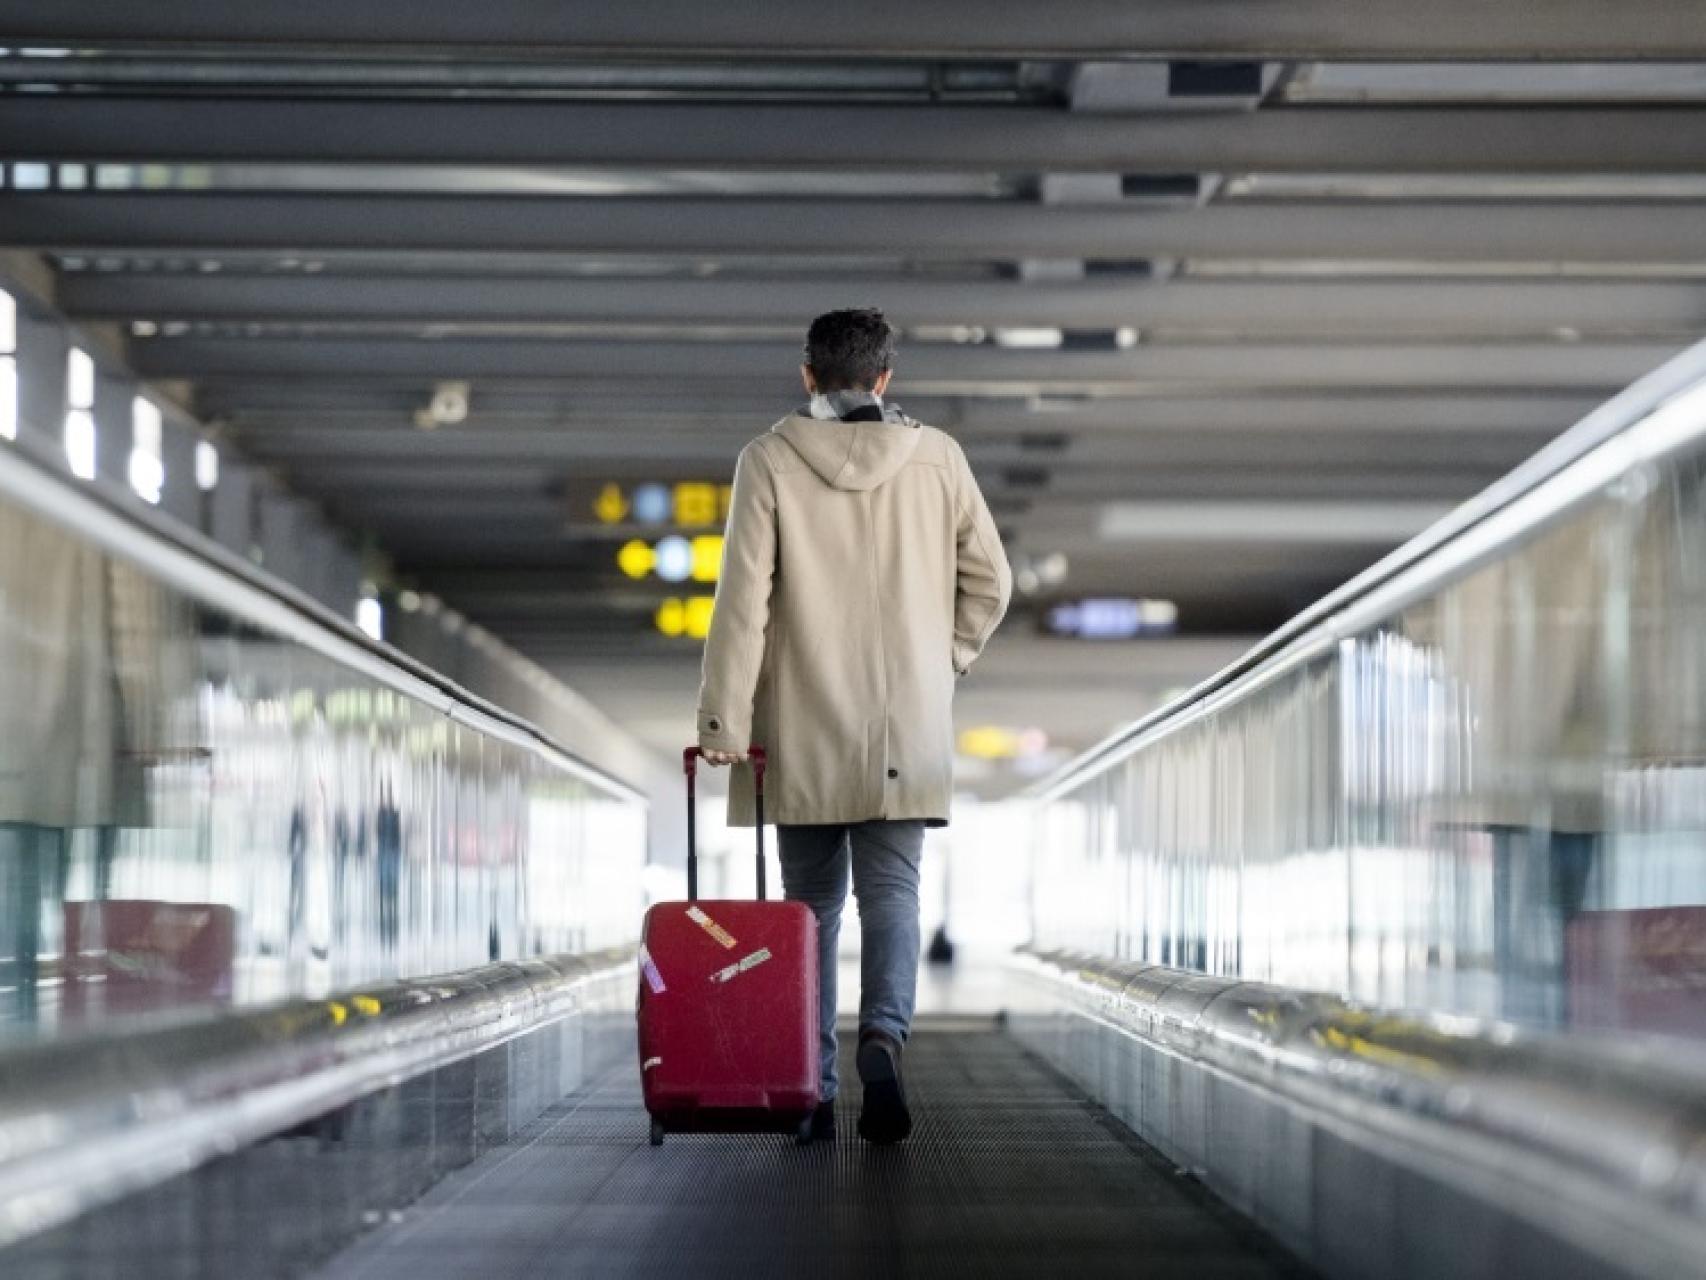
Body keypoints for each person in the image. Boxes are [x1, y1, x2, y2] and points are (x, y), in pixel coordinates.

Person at [695, 308, 1012, 1144]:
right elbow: (992, 581)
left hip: (800, 723)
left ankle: (811, 1087)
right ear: (884, 379)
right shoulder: (937, 460)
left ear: (808, 377)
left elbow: (742, 606)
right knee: (893, 893)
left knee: (809, 909)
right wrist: (942, 662)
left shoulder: (767, 461)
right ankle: (884, 1036)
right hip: (904, 724)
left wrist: (726, 718)